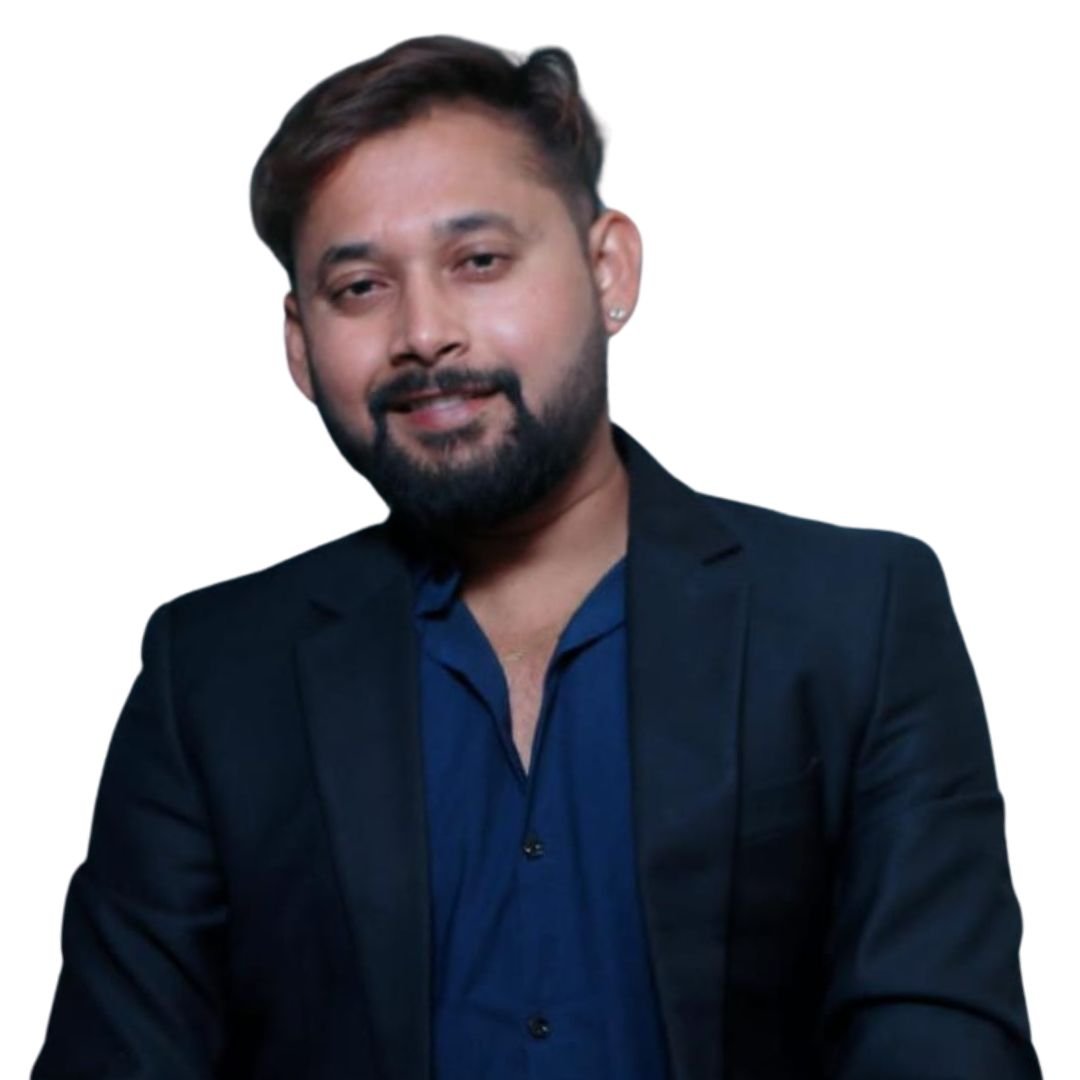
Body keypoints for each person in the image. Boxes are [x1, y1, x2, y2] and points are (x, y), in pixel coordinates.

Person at [33, 34, 1041, 1080]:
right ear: (300, 344)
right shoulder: (213, 673)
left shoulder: (855, 620)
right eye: (360, 287)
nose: (424, 333)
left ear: (609, 271)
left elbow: (941, 1042)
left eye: (479, 261)